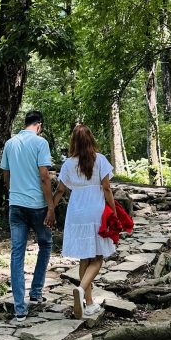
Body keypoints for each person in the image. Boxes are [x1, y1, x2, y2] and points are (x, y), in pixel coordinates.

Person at [49, 124, 118, 319]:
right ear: (91, 140)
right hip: (95, 212)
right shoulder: (101, 160)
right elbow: (106, 189)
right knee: (97, 258)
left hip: (76, 213)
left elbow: (61, 190)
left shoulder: (69, 164)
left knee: (84, 258)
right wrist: (113, 211)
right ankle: (81, 290)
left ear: (74, 142)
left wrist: (51, 209)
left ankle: (88, 303)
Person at [0, 110, 55, 325]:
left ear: (26, 123)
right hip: (37, 205)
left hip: (16, 205)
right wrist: (51, 207)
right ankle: (36, 291)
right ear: (39, 125)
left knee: (17, 254)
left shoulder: (10, 143)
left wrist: (12, 191)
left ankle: (20, 309)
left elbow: (6, 173)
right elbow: (44, 176)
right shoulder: (41, 143)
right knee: (46, 244)